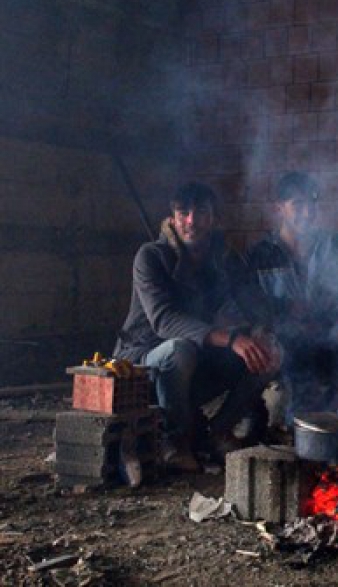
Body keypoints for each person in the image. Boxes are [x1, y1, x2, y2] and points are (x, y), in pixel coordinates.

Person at [114, 182, 277, 472]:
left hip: (195, 363)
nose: (191, 221)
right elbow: (164, 320)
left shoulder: (224, 260)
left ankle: (217, 433)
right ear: (173, 218)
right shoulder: (151, 257)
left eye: (201, 213)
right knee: (180, 348)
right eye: (183, 212)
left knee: (270, 352)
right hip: (142, 366)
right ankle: (175, 442)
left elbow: (257, 303)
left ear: (212, 219)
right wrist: (231, 340)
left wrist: (261, 329)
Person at [246, 172, 338, 419]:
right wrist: (283, 313)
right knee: (297, 368)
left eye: (312, 203)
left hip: (330, 335)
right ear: (279, 208)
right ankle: (298, 432)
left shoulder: (336, 245)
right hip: (285, 341)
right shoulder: (261, 254)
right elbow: (249, 304)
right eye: (297, 205)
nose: (307, 213)